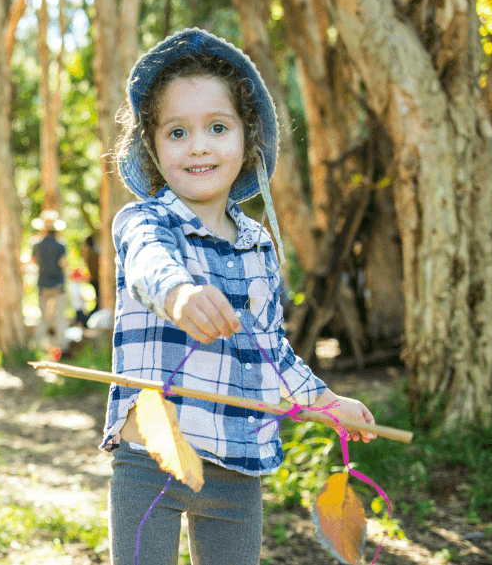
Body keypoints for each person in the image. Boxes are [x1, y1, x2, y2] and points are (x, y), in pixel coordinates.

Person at [102, 28, 376, 565]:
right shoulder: (144, 221)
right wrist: (179, 294)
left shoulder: (259, 248)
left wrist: (325, 403)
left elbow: (271, 352)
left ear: (246, 143)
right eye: (177, 132)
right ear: (153, 149)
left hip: (236, 465)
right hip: (151, 458)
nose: (199, 145)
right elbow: (149, 265)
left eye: (217, 127)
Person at [30, 210, 70, 351]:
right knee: (60, 317)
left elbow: (33, 262)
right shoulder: (61, 244)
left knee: (42, 317)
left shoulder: (36, 244)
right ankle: (62, 346)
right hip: (58, 285)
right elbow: (64, 264)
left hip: (42, 285)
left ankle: (39, 347)